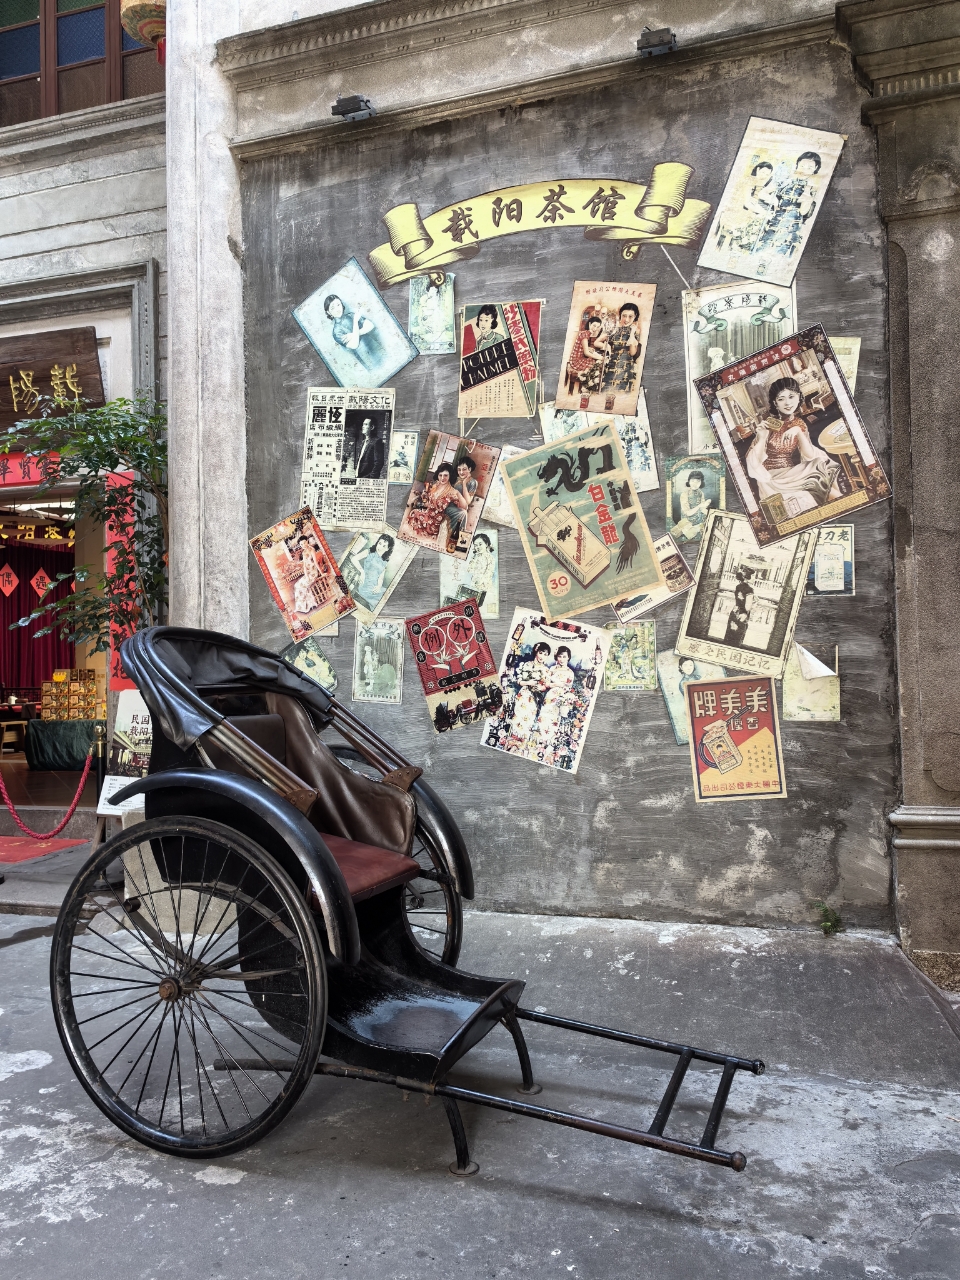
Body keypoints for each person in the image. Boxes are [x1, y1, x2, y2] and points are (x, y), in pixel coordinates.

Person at [746, 376, 841, 516]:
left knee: (820, 465)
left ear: (798, 397)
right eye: (781, 399)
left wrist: (798, 431)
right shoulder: (769, 424)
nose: (788, 403)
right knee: (817, 479)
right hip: (771, 477)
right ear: (775, 403)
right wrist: (762, 437)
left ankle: (842, 504)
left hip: (791, 472)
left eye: (791, 396)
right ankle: (842, 504)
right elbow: (754, 463)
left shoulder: (799, 423)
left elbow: (809, 455)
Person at [758, 152, 821, 257]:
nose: (804, 170)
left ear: (816, 168)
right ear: (797, 164)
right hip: (774, 220)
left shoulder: (812, 187)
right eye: (802, 166)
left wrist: (808, 199)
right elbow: (762, 193)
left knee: (781, 253)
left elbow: (803, 212)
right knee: (763, 248)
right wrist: (775, 201)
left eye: (809, 167)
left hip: (792, 225)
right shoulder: (785, 179)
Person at [404, 463, 466, 545]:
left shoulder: (452, 492)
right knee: (413, 513)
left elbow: (465, 506)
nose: (442, 478)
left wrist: (458, 493)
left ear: (450, 476)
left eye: (445, 475)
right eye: (440, 475)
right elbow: (428, 503)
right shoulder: (435, 486)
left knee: (414, 516)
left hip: (434, 523)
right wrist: (424, 498)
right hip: (426, 515)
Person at [323, 293, 382, 372]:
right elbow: (354, 344)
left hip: (376, 346)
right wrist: (355, 322)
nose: (337, 309)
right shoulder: (336, 332)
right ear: (328, 312)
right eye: (333, 308)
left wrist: (353, 335)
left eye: (338, 305)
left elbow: (371, 325)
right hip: (365, 357)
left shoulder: (351, 315)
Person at [600, 302, 642, 395]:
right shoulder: (614, 329)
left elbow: (632, 353)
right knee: (605, 393)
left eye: (630, 316)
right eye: (624, 316)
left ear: (635, 316)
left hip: (626, 369)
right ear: (620, 315)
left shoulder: (636, 331)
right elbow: (600, 341)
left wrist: (632, 333)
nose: (626, 319)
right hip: (611, 366)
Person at [347, 532, 394, 610]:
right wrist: (362, 572)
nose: (380, 547)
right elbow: (353, 559)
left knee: (388, 595)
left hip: (375, 586)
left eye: (384, 546)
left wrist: (379, 586)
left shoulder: (385, 562)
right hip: (365, 585)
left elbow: (381, 578)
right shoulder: (369, 552)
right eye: (380, 543)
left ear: (387, 549)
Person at [566, 314, 608, 395]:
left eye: (597, 327)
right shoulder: (585, 335)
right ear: (589, 324)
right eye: (594, 325)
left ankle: (586, 389)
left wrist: (589, 348)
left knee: (595, 362)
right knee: (595, 366)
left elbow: (581, 346)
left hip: (576, 358)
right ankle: (586, 390)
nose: (595, 328)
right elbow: (586, 353)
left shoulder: (585, 333)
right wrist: (600, 358)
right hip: (576, 361)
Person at [444, 456, 478, 545]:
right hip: (448, 505)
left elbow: (468, 501)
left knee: (463, 513)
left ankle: (454, 540)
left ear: (469, 469)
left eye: (464, 469)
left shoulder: (473, 482)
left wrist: (464, 483)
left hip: (461, 507)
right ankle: (454, 540)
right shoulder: (455, 479)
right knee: (462, 513)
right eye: (459, 470)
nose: (461, 472)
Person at [672, 470, 712, 542]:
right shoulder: (684, 494)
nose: (695, 484)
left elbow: (702, 509)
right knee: (690, 534)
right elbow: (687, 513)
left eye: (698, 481)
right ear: (689, 481)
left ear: (701, 483)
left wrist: (710, 513)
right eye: (693, 481)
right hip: (687, 521)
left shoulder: (700, 493)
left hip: (699, 519)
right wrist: (699, 506)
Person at [292, 534, 322, 617]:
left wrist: (321, 572)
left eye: (304, 543)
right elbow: (304, 566)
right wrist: (306, 576)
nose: (303, 545)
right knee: (296, 585)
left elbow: (315, 563)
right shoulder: (303, 552)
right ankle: (302, 607)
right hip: (308, 574)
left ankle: (305, 607)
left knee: (302, 586)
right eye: (301, 544)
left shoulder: (312, 550)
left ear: (307, 541)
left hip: (313, 573)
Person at [724, 567, 755, 647]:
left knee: (729, 635)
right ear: (748, 577)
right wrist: (754, 603)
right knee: (737, 638)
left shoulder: (738, 586)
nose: (754, 579)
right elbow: (747, 607)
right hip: (742, 614)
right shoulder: (749, 590)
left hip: (735, 611)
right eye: (753, 576)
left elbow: (740, 600)